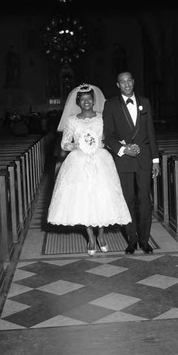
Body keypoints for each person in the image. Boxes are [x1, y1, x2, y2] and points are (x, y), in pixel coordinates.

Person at [47, 84, 132, 255]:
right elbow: (64, 143)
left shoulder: (103, 118)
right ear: (78, 102)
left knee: (102, 197)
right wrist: (76, 145)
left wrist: (105, 144)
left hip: (101, 160)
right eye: (83, 99)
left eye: (89, 99)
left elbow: (110, 138)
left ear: (94, 100)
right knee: (84, 199)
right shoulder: (72, 120)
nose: (86, 102)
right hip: (78, 162)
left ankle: (101, 235)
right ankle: (90, 237)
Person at [102, 71, 160, 254]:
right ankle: (132, 240)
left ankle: (144, 240)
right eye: (122, 82)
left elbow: (151, 132)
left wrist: (155, 160)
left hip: (144, 158)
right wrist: (123, 149)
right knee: (127, 200)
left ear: (133, 82)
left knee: (145, 201)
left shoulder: (145, 102)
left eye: (129, 81)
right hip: (124, 160)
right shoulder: (110, 104)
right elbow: (108, 135)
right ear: (118, 85)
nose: (126, 85)